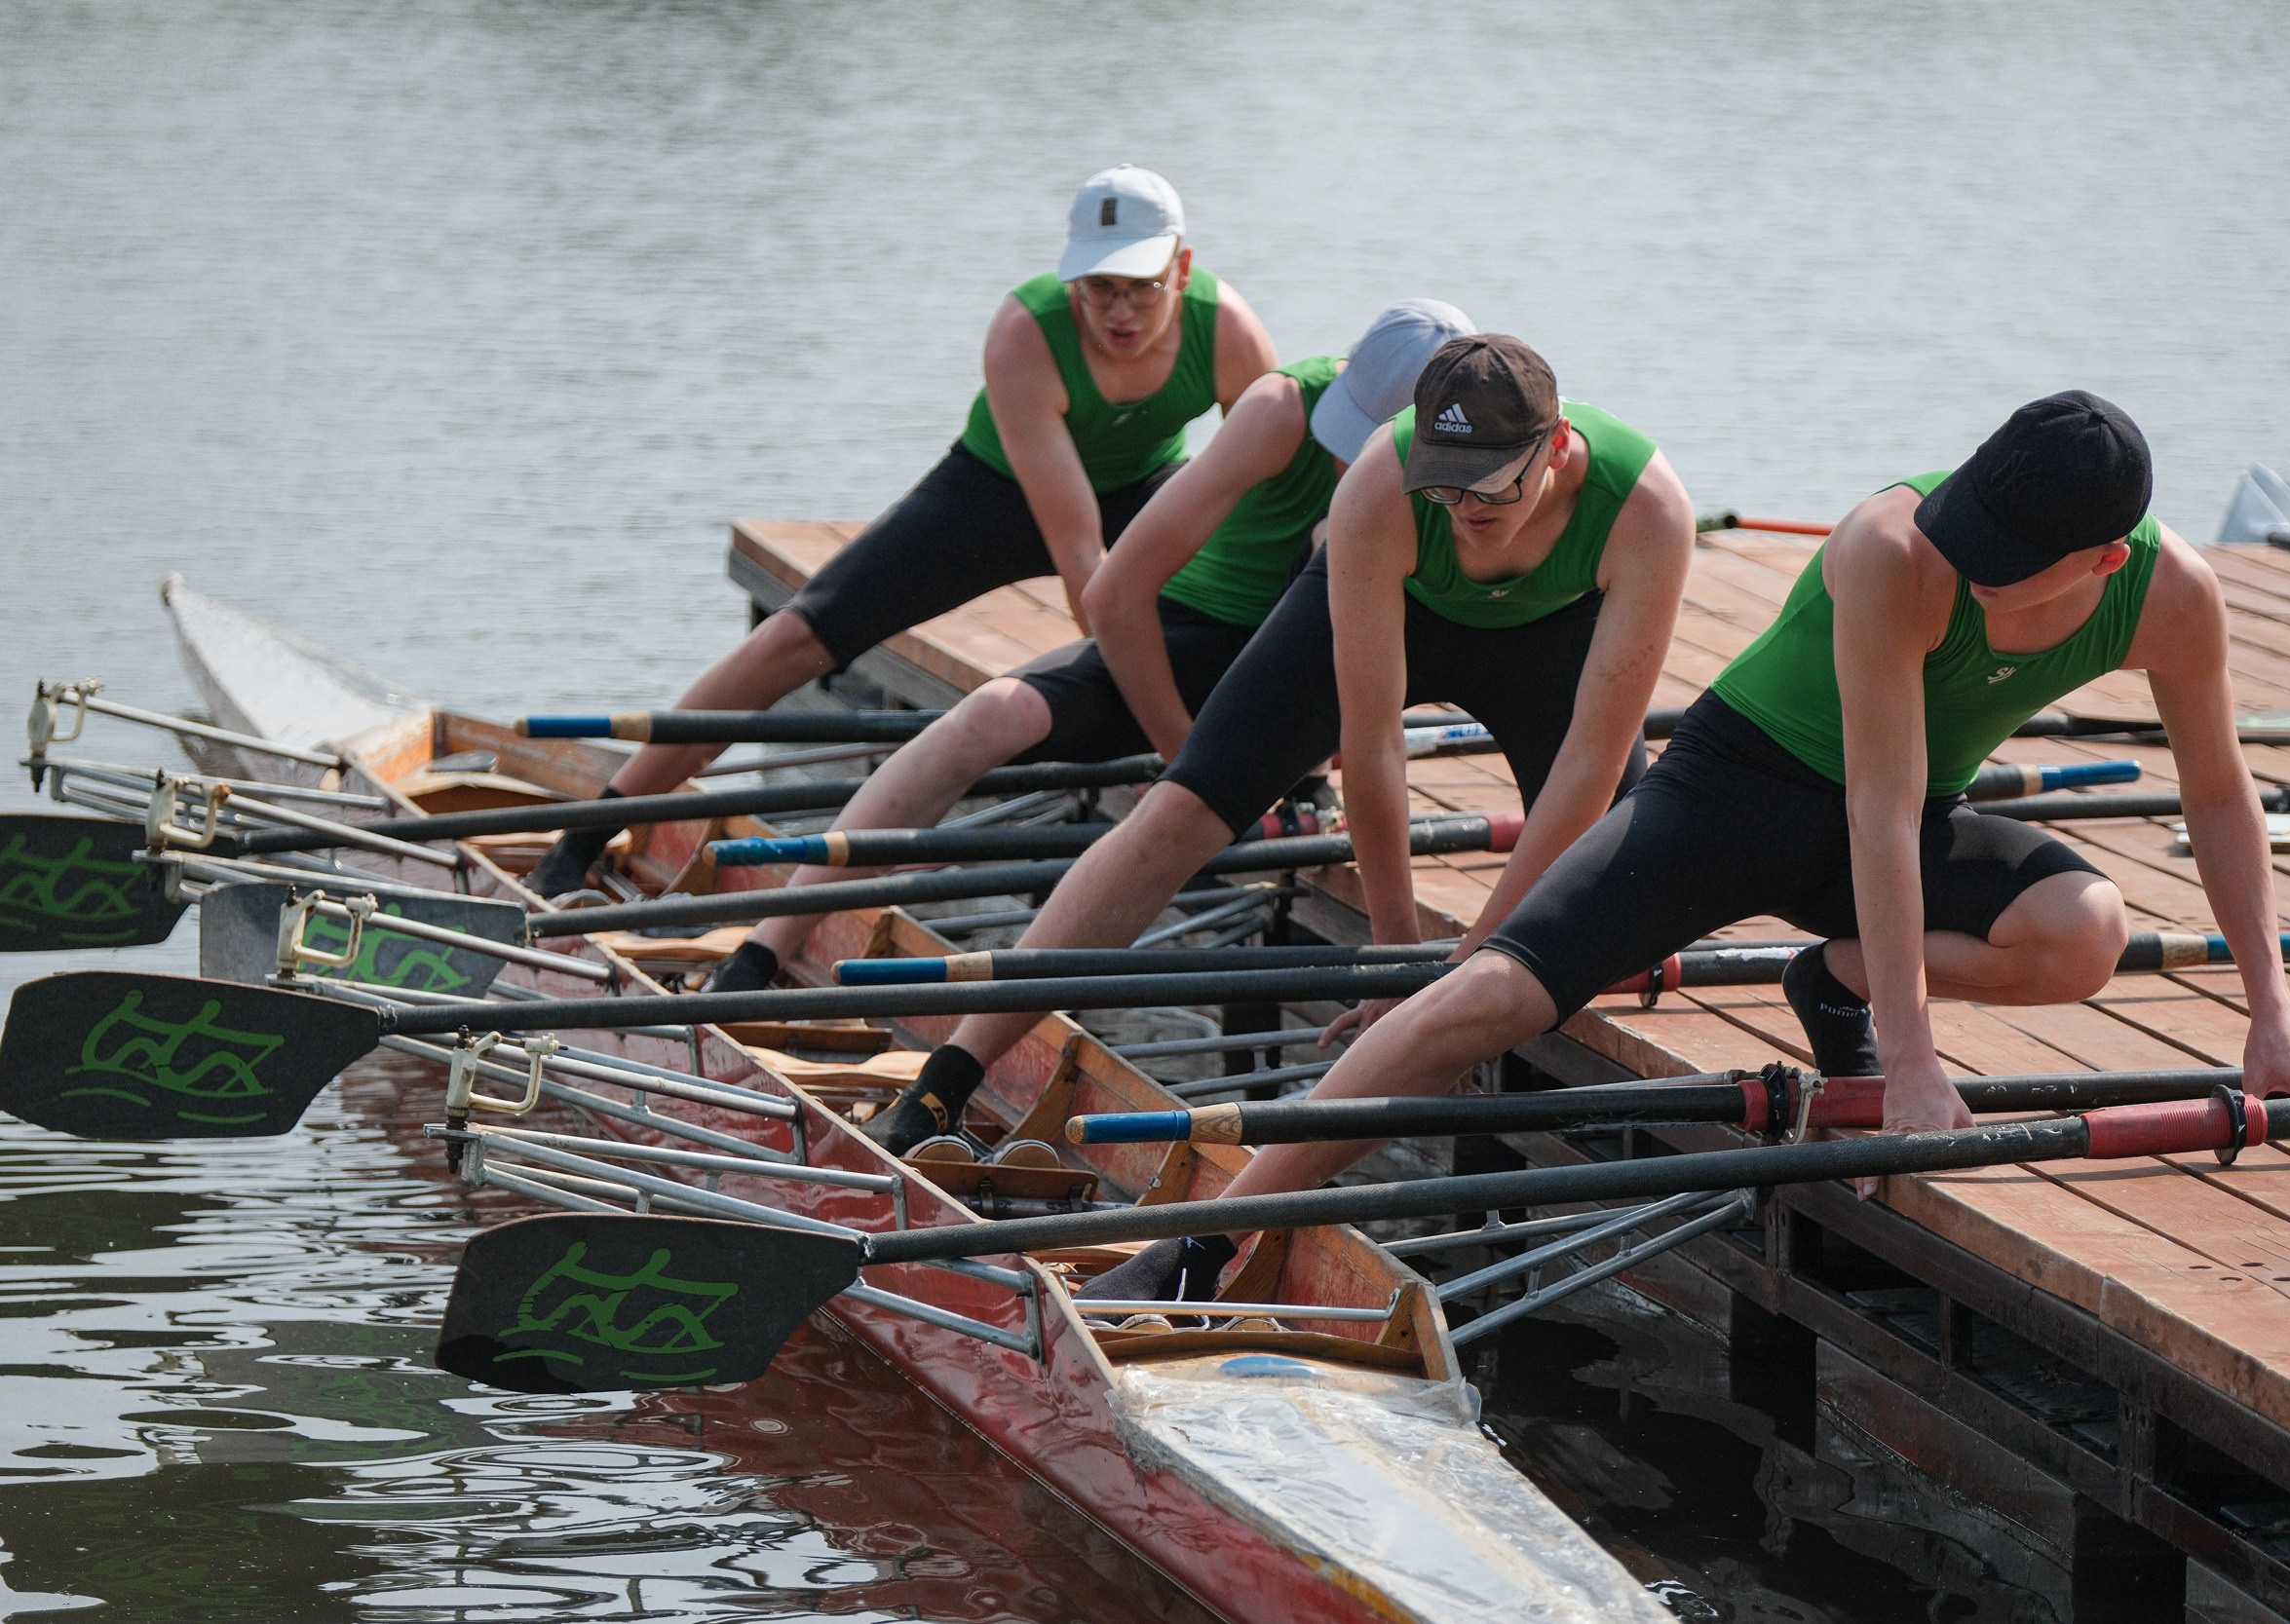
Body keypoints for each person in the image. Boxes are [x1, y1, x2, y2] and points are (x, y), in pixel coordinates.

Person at [1113, 390, 2290, 1295]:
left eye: (2002, 566)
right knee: (1479, 1000)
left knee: (2087, 933)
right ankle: (1207, 1238)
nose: (1962, 565)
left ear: (2102, 562)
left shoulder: (2172, 596)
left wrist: (2270, 1018)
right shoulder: (1886, 548)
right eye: (1964, 532)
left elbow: (2220, 793)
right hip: (1734, 787)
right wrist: (1911, 1066)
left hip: (1898, 820)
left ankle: (1837, 975)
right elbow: (1870, 796)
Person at [863, 333, 1697, 1167]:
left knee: (1607, 880)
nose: (1465, 506)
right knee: (1180, 810)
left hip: (1552, 639)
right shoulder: (1381, 485)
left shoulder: (1649, 511)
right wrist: (1396, 952)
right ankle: (947, 1076)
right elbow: (1370, 746)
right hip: (1408, 605)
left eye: (1490, 484)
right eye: (1442, 481)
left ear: (1554, 448)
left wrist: (1468, 960)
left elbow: (1588, 765)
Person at [526, 164, 1276, 898]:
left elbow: (1266, 506)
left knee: (1248, 601)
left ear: (1182, 268)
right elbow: (1081, 556)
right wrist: (1167, 737)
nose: (1119, 314)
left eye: (1140, 288)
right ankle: (590, 834)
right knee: (796, 636)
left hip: (1145, 486)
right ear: (1070, 278)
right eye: (1099, 289)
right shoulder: (1026, 333)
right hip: (996, 490)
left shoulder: (1231, 333)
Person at [698, 300, 1478, 997]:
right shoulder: (1279, 410)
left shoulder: (1482, 473)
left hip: (1308, 680)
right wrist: (1186, 755)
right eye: (1349, 430)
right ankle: (768, 944)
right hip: (1193, 640)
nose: (1348, 456)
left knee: (1337, 546)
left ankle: (1304, 776)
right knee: (985, 716)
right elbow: (1113, 595)